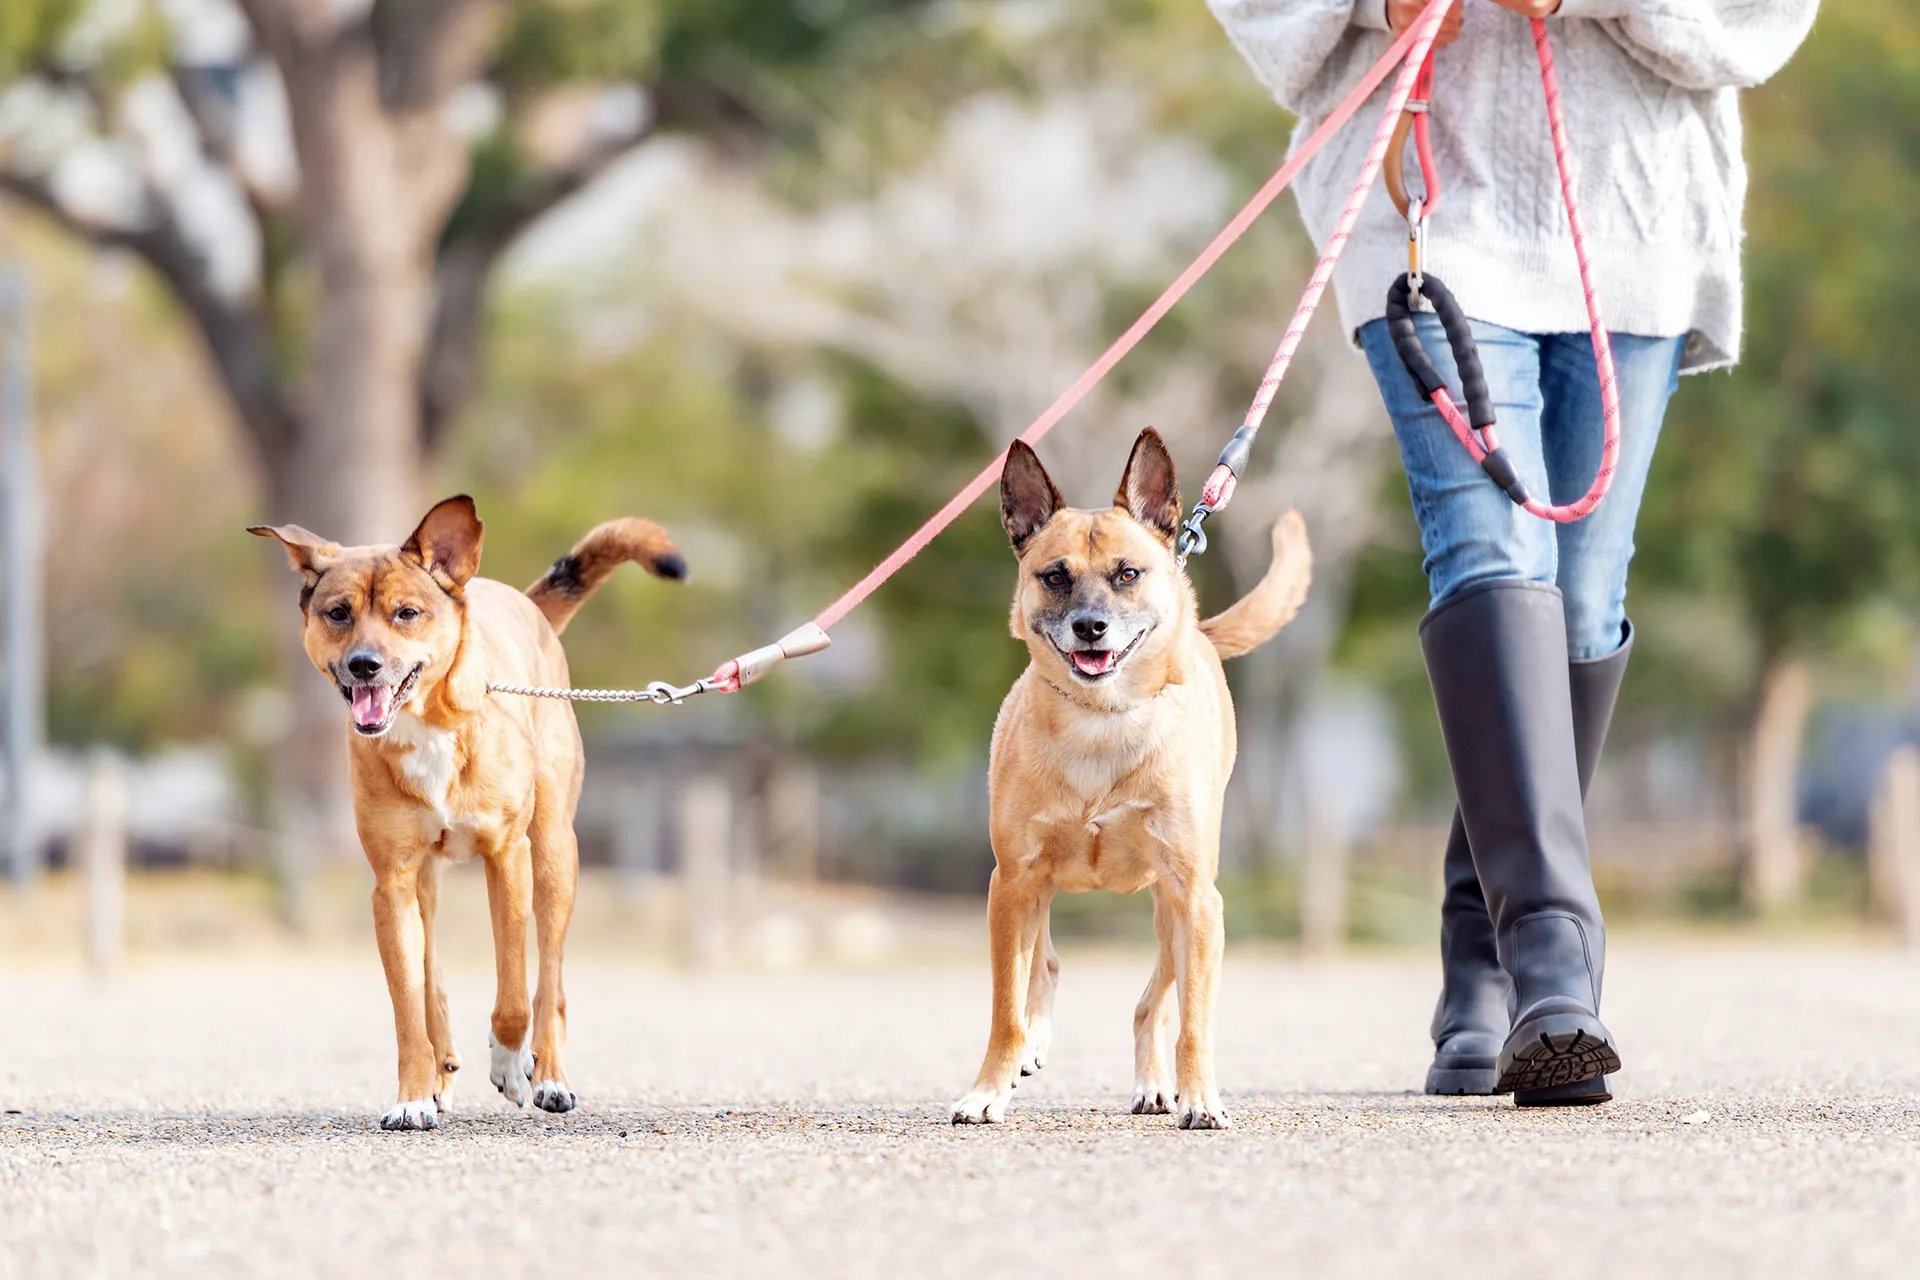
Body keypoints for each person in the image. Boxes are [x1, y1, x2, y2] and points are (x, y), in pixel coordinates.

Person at [1205, 0, 1818, 1103]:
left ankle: (1479, 953)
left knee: (1582, 596)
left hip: (1634, 214)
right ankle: (1550, 956)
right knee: (1489, 542)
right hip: (1423, 204)